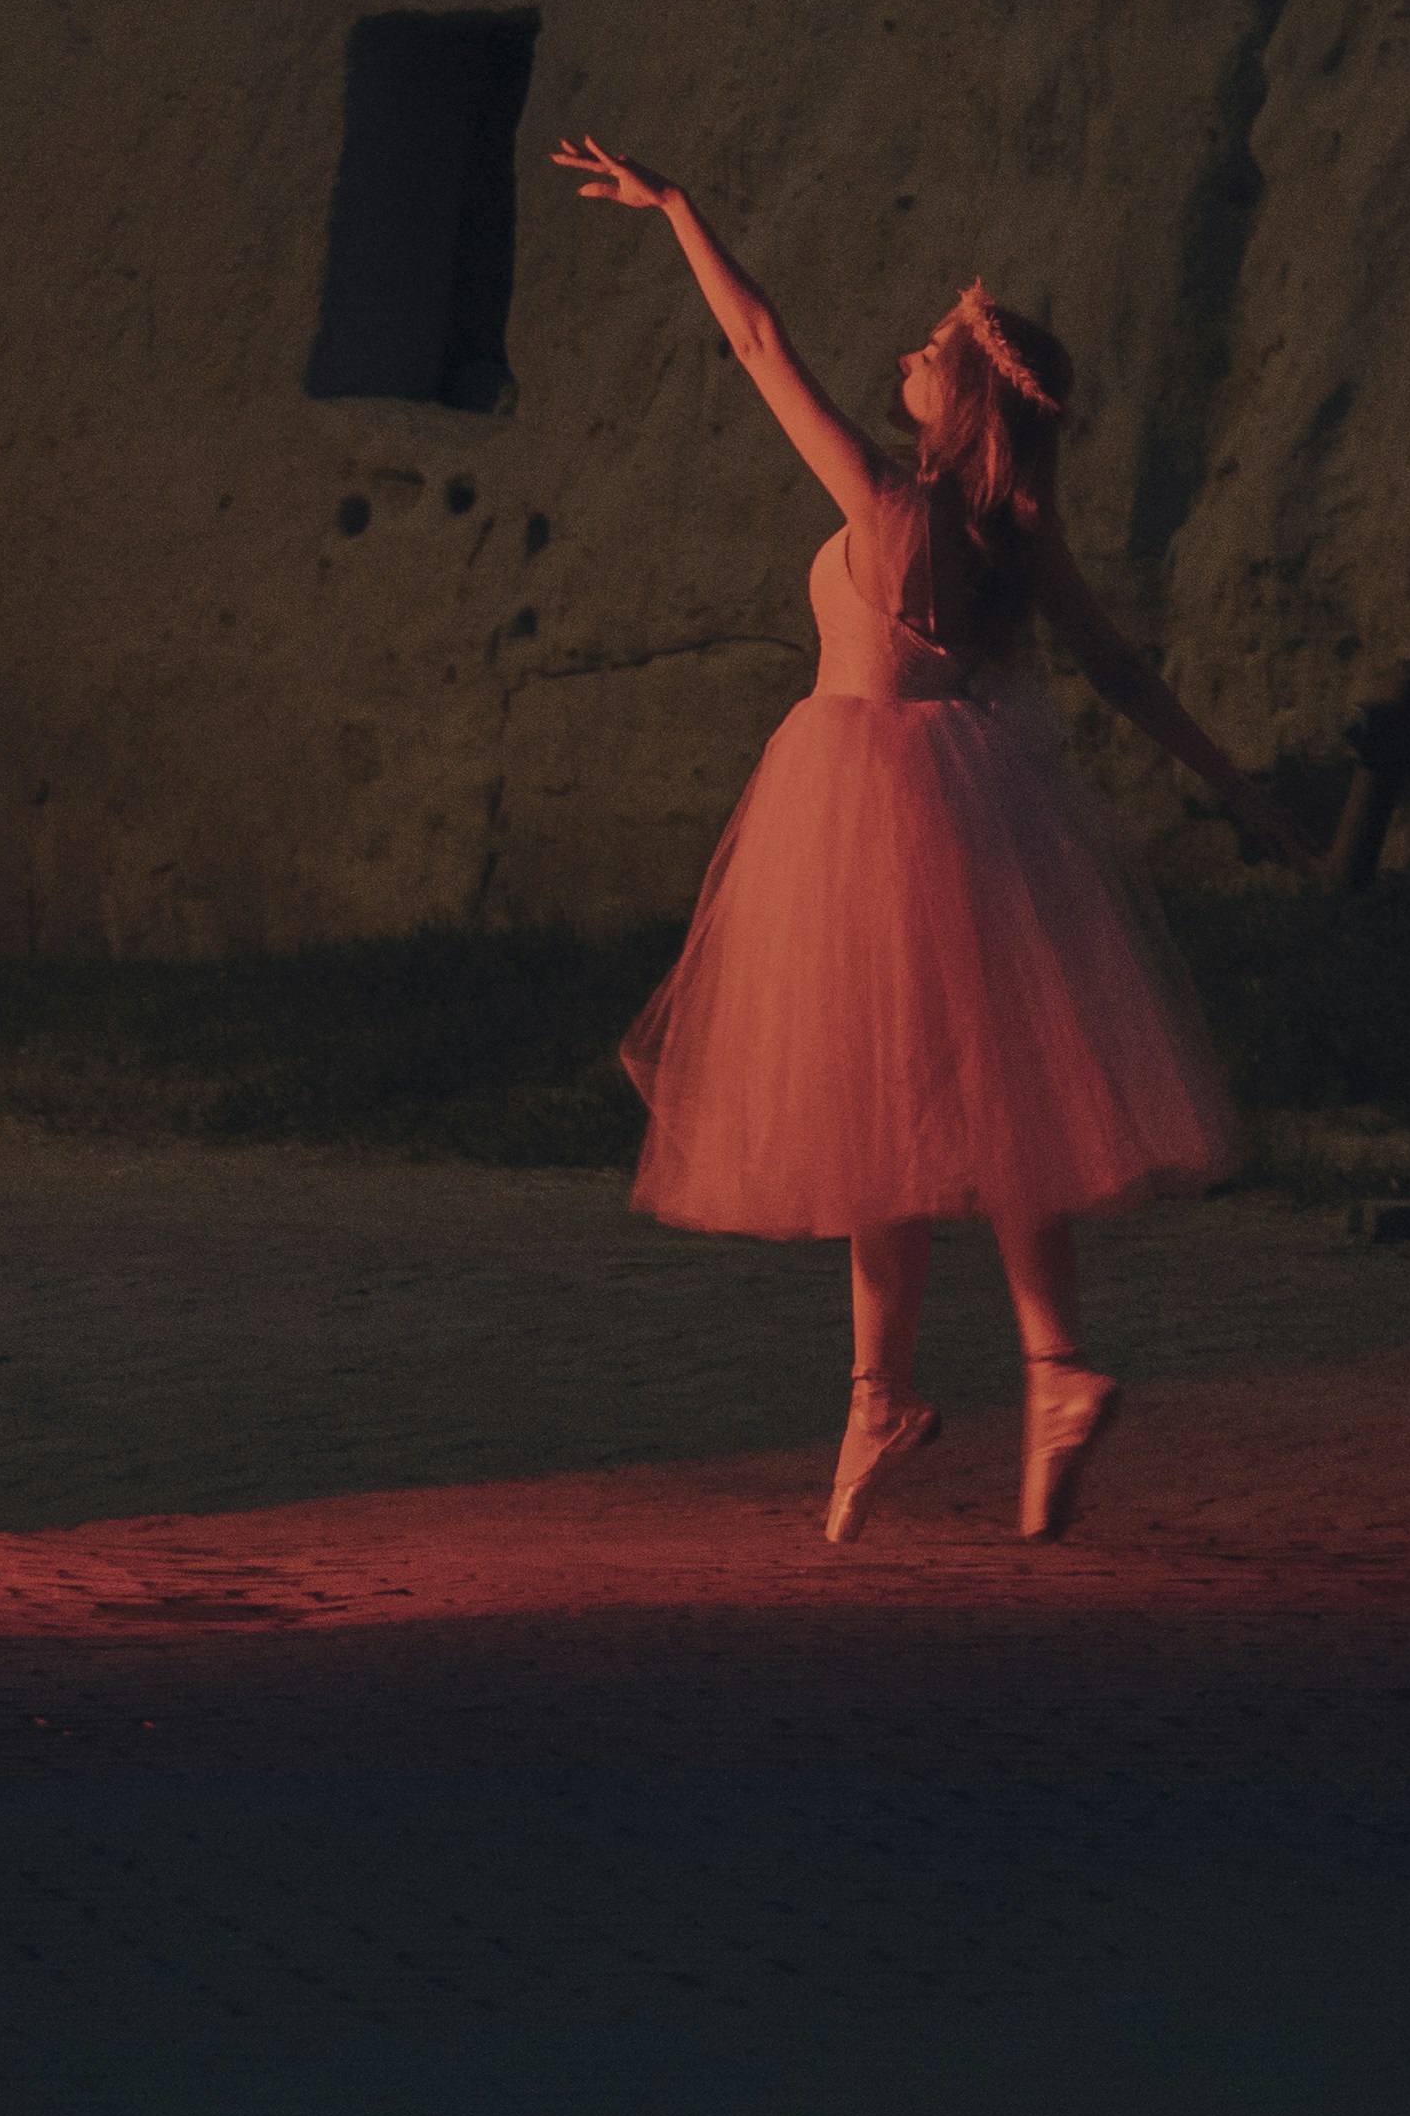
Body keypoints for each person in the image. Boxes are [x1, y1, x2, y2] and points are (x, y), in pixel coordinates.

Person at [555, 135, 1324, 1547]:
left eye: (925, 350)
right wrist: (1241, 794)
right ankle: (1049, 1370)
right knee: (1000, 1102)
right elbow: (1129, 679)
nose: (902, 359)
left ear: (960, 394)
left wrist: (678, 211)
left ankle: (881, 1393)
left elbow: (754, 337)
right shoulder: (1014, 543)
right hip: (980, 811)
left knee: (874, 1115)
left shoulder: (890, 504)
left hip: (859, 808)